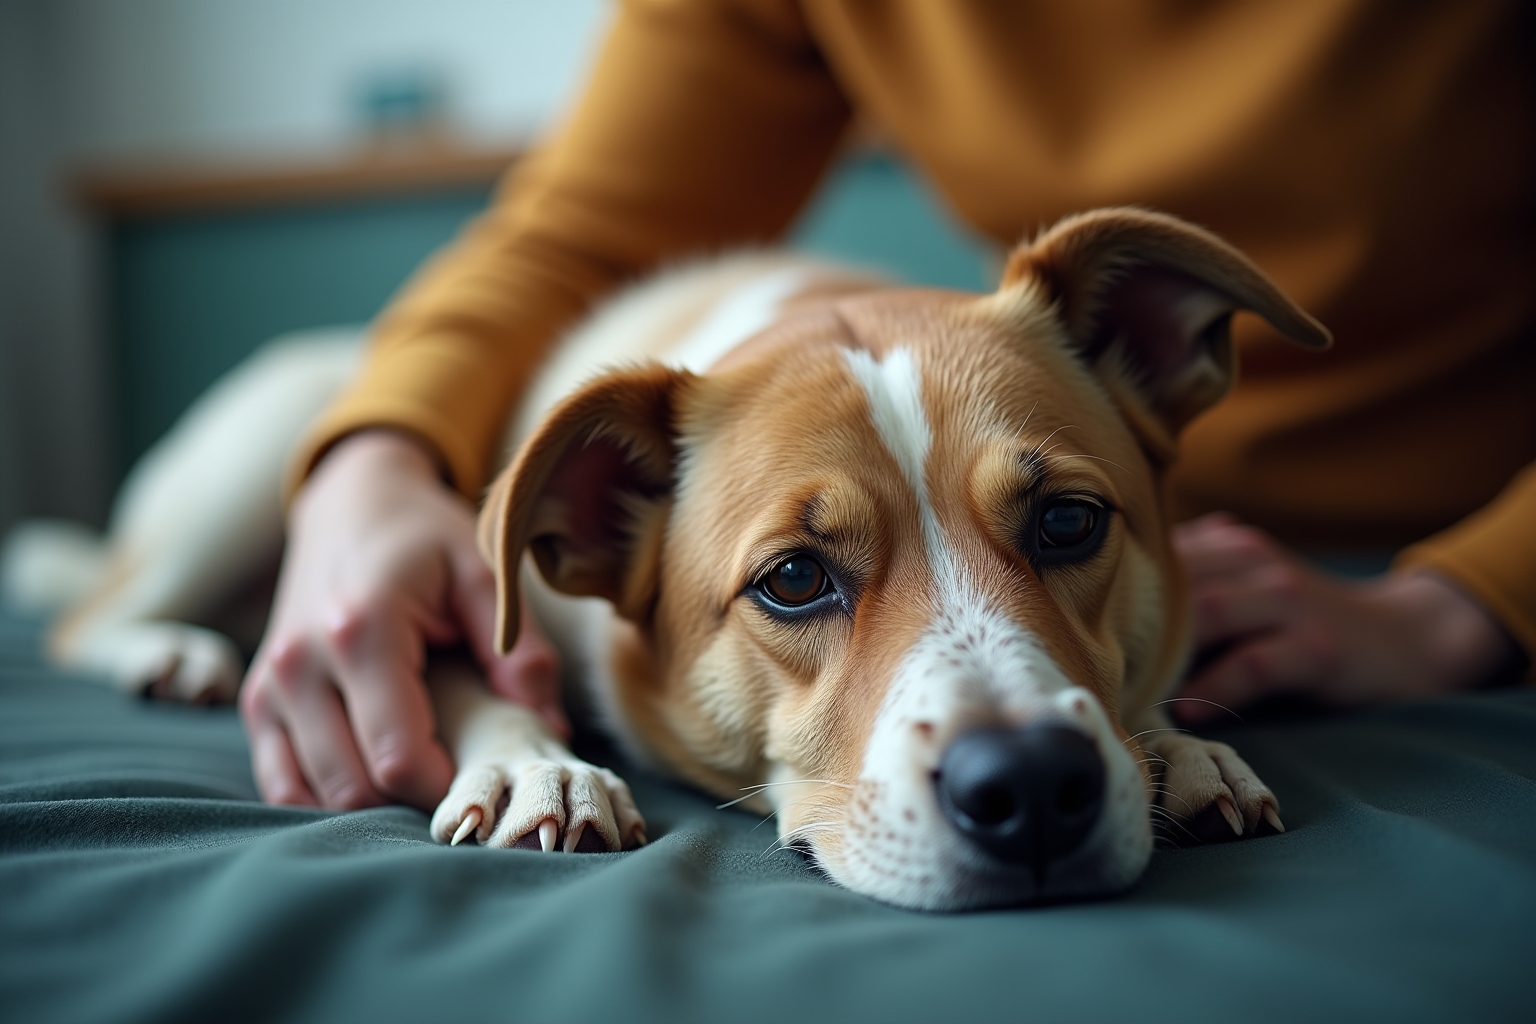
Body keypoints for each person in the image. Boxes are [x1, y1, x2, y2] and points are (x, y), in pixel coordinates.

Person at [239, 0, 1533, 811]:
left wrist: (1461, 604)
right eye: (801, 578)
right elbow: (576, 236)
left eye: (1063, 528)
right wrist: (368, 465)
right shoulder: (670, 482)